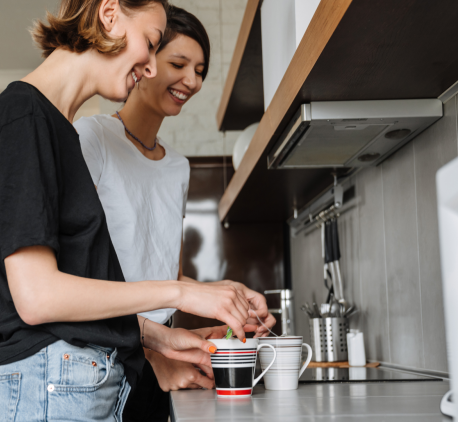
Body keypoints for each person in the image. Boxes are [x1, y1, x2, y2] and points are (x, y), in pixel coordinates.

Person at [0, 1, 263, 421]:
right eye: (151, 43)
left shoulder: (56, 128)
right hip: (47, 384)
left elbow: (77, 296)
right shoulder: (23, 116)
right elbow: (37, 298)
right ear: (109, 14)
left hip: (68, 381)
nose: (150, 67)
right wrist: (181, 292)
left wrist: (162, 339)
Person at [73, 6, 276, 421]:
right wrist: (150, 352)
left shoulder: (177, 167)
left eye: (200, 70)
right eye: (178, 64)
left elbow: (166, 276)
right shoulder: (91, 139)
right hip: (103, 364)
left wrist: (226, 295)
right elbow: (79, 276)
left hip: (159, 366)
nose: (193, 81)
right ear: (144, 63)